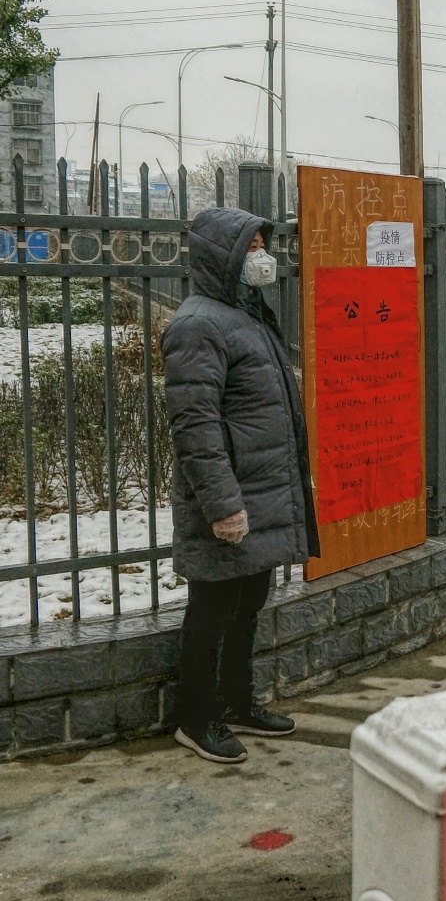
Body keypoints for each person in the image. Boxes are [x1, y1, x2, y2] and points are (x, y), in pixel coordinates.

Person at [162, 207, 320, 764]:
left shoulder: (248, 315)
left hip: (263, 491)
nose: (263, 256)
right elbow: (195, 427)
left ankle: (237, 702)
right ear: (222, 257)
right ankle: (196, 718)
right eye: (251, 247)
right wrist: (223, 506)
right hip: (229, 499)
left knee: (248, 602)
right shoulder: (196, 324)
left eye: (262, 245)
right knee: (213, 611)